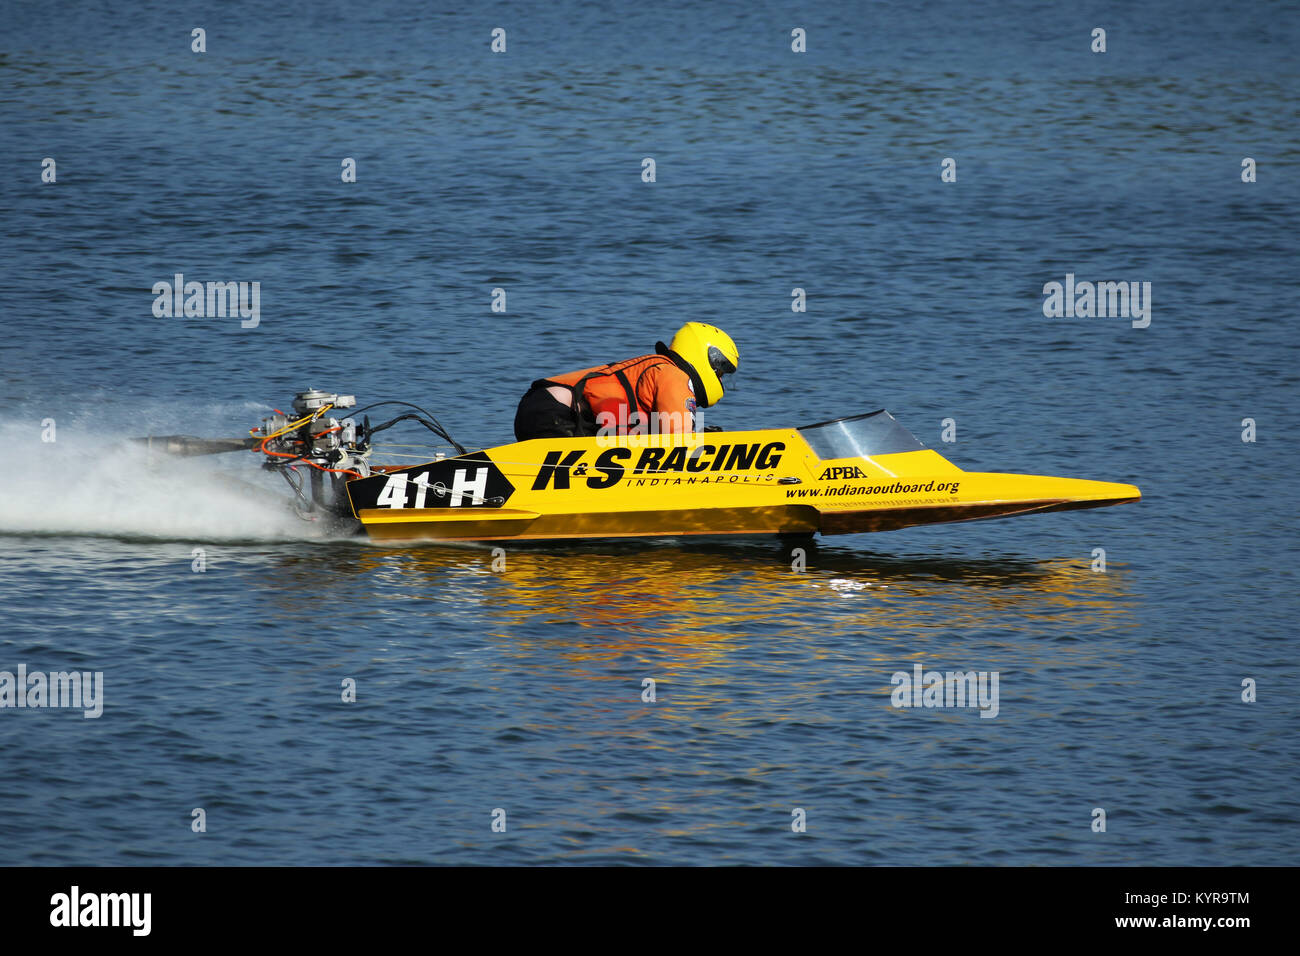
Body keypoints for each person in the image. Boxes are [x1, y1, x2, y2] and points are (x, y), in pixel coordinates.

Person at [513, 322, 739, 441]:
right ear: (709, 358)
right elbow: (678, 442)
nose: (720, 379)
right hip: (554, 415)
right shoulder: (674, 375)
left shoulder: (658, 369)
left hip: (543, 411)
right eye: (720, 372)